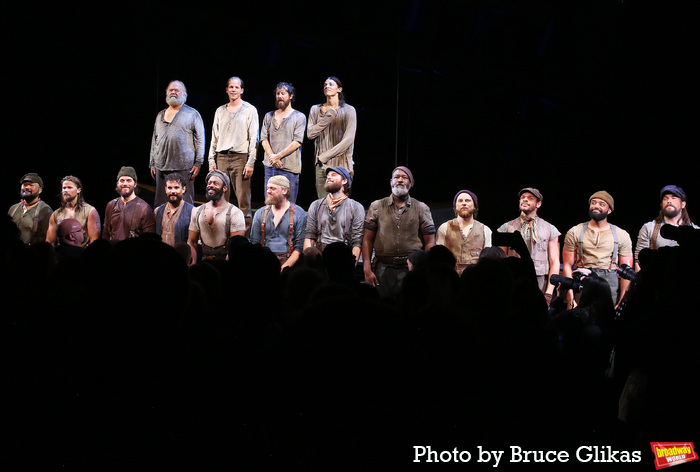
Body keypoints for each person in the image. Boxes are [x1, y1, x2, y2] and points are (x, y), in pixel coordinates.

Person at [362, 166, 436, 298]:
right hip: (382, 270)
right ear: (391, 181)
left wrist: (426, 269)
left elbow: (430, 241)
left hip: (411, 270)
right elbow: (367, 239)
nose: (400, 180)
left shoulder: (421, 207)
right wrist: (367, 268)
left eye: (404, 177)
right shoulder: (377, 206)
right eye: (396, 177)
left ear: (410, 183)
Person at [562, 190, 633, 308]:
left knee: (606, 322)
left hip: (609, 281)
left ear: (609, 210)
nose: (596, 206)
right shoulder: (575, 231)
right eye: (593, 203)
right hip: (584, 279)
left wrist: (622, 301)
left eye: (602, 204)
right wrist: (570, 297)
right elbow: (567, 266)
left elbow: (626, 271)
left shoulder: (621, 235)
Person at [208, 76, 259, 236]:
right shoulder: (220, 110)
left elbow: (254, 138)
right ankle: (221, 235)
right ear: (226, 89)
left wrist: (250, 162)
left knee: (243, 200)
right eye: (231, 87)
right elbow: (214, 138)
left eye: (237, 87)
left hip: (240, 158)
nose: (233, 90)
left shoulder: (249, 110)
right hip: (222, 157)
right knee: (221, 198)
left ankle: (244, 238)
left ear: (242, 90)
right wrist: (211, 160)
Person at [496, 187, 561, 301]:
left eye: (530, 198)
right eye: (522, 198)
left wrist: (549, 293)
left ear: (538, 204)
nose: (525, 200)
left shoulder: (549, 229)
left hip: (539, 281)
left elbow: (555, 262)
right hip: (514, 280)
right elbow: (501, 259)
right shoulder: (506, 228)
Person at [149, 80, 205, 208]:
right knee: (161, 205)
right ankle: (161, 228)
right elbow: (154, 139)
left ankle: (185, 228)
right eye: (170, 90)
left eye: (176, 90)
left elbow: (200, 139)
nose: (173, 92)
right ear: (166, 94)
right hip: (161, 167)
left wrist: (198, 162)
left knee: (185, 205)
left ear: (184, 95)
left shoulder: (192, 114)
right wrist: (152, 162)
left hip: (184, 166)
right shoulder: (160, 115)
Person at [307, 76, 357, 199]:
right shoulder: (315, 109)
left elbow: (349, 140)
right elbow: (310, 134)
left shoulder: (349, 110)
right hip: (321, 166)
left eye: (331, 84)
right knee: (323, 204)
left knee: (340, 204)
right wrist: (330, 115)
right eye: (325, 85)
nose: (327, 86)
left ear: (339, 89)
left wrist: (325, 156)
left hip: (342, 165)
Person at [304, 166, 365, 262]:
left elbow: (357, 242)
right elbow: (309, 236)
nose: (328, 177)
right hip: (320, 259)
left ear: (344, 181)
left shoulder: (356, 207)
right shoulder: (316, 205)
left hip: (343, 258)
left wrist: (350, 267)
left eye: (333, 175)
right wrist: (308, 263)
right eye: (328, 175)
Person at [260, 82, 306, 203]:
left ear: (291, 96)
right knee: (270, 203)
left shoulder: (299, 116)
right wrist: (272, 158)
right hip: (270, 167)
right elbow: (263, 139)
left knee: (288, 204)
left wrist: (278, 156)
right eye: (277, 93)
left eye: (283, 93)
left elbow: (297, 142)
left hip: (289, 167)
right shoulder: (269, 116)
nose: (280, 96)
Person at [250, 175, 307, 271]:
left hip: (288, 262)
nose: (268, 191)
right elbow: (254, 242)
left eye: (273, 188)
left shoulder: (299, 213)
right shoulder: (260, 213)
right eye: (268, 188)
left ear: (284, 191)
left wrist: (283, 269)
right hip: (264, 260)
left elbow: (299, 247)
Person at [634, 185, 698, 271]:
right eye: (665, 198)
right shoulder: (649, 228)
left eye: (673, 198)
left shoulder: (694, 231)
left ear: (683, 204)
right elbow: (639, 261)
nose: (669, 201)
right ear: (661, 204)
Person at [187, 170, 246, 263]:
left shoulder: (235, 213)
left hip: (225, 263)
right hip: (204, 261)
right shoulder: (197, 211)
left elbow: (236, 247)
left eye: (216, 183)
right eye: (209, 183)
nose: (211, 185)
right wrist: (193, 262)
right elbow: (192, 241)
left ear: (225, 188)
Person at [436, 189, 492, 276]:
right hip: (450, 278)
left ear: (474, 206)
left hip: (476, 278)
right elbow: (438, 257)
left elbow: (488, 260)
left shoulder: (485, 230)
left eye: (468, 201)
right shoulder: (444, 228)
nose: (464, 203)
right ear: (455, 206)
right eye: (460, 201)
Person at [103, 166, 157, 241]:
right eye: (122, 180)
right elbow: (106, 233)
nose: (125, 183)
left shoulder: (144, 208)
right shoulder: (111, 205)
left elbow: (150, 239)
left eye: (129, 180)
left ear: (135, 184)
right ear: (117, 183)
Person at [46, 175, 101, 246]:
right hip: (61, 254)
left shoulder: (90, 211)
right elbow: (50, 242)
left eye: (69, 187)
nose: (65, 190)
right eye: (64, 188)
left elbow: (94, 241)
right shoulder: (56, 214)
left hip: (81, 253)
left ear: (78, 190)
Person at [8, 173, 53, 245]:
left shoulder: (45, 211)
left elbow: (48, 241)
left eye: (31, 185)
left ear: (40, 190)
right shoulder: (13, 209)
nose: (27, 187)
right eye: (24, 185)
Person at [154, 173, 195, 247]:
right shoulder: (158, 211)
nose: (173, 191)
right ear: (165, 190)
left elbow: (194, 241)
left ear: (183, 189)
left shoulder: (192, 211)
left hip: (180, 256)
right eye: (170, 188)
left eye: (176, 188)